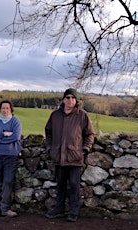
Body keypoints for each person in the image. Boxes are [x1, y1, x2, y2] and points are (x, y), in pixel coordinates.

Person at [44, 88, 94, 222]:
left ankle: (73, 212)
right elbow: (48, 132)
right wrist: (50, 148)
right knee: (60, 185)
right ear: (63, 99)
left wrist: (84, 149)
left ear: (76, 100)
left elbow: (89, 134)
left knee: (74, 185)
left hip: (75, 156)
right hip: (59, 156)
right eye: (68, 97)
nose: (70, 100)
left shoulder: (82, 115)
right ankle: (59, 209)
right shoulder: (55, 115)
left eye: (73, 98)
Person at [0, 100, 22, 219]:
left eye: (7, 108)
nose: (5, 110)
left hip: (11, 155)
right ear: (0, 109)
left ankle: (5, 208)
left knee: (7, 181)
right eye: (3, 108)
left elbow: (16, 137)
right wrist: (4, 134)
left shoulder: (15, 121)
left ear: (11, 109)